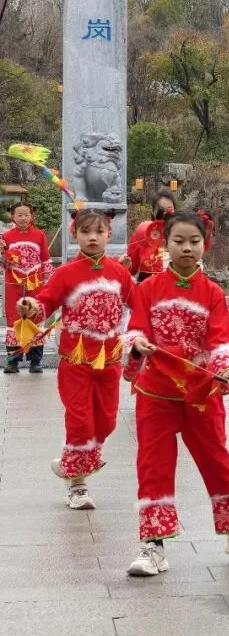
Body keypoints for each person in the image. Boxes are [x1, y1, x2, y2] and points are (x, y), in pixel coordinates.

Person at [124, 211, 229, 576]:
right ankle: (153, 547)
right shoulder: (147, 289)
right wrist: (137, 342)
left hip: (202, 392)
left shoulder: (212, 294)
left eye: (194, 241)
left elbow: (221, 338)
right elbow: (135, 328)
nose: (187, 248)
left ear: (205, 244)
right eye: (179, 241)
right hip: (156, 393)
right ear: (166, 243)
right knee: (154, 466)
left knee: (217, 460)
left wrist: (225, 369)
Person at [17, 209, 135, 510]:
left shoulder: (119, 273)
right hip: (76, 362)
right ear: (74, 235)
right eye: (86, 232)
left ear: (109, 235)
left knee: (107, 422)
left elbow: (138, 304)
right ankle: (77, 484)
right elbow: (46, 302)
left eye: (99, 232)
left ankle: (70, 460)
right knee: (80, 421)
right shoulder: (65, 273)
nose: (92, 238)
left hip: (109, 361)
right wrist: (31, 306)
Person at [2, 201, 52, 373]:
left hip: (35, 283)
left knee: (35, 317)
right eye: (19, 215)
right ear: (13, 217)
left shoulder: (39, 235)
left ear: (32, 216)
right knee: (13, 319)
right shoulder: (6, 237)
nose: (23, 218)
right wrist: (5, 258)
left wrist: (50, 281)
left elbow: (45, 260)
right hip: (13, 283)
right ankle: (12, 362)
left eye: (26, 215)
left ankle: (35, 362)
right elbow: (2, 263)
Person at [124, 189, 176, 282]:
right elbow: (131, 268)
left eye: (169, 209)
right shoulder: (142, 233)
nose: (165, 214)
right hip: (148, 285)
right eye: (161, 210)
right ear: (153, 212)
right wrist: (126, 266)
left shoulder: (181, 234)